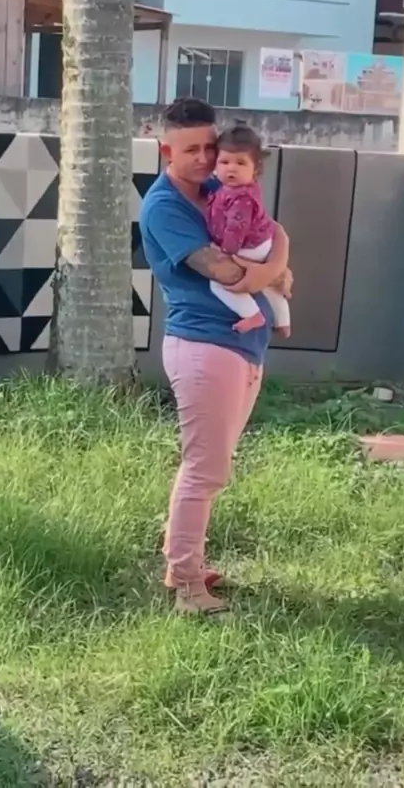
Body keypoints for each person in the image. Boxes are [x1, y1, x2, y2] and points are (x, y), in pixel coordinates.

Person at [139, 97, 291, 614]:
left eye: (210, 147)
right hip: (204, 347)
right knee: (205, 470)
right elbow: (227, 273)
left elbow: (273, 232)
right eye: (191, 150)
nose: (206, 158)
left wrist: (276, 258)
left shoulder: (214, 187)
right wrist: (276, 270)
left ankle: (181, 563)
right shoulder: (164, 207)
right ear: (166, 151)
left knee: (211, 466)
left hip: (240, 346)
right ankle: (187, 586)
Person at [206, 123, 292, 337]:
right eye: (224, 162)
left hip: (248, 246)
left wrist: (226, 252)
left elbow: (236, 227)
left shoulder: (241, 197)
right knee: (269, 284)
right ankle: (283, 322)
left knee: (219, 283)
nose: (231, 169)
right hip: (260, 242)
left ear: (256, 168)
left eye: (240, 163)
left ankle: (252, 314)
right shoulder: (231, 189)